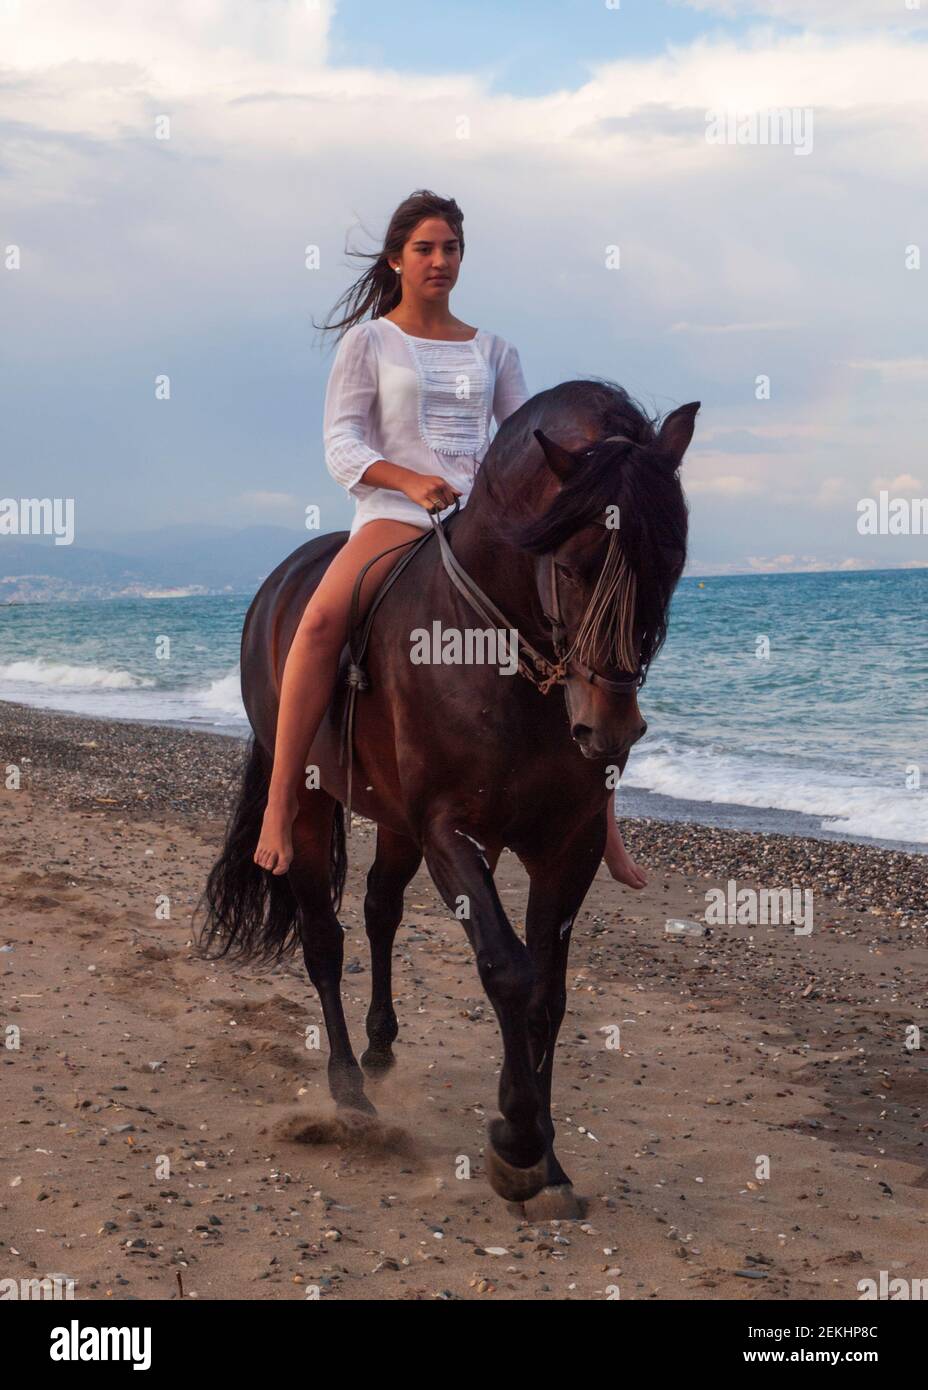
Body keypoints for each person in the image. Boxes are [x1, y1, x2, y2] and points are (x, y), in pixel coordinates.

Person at [253, 188, 646, 891]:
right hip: (394, 515)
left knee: (590, 633)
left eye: (451, 248)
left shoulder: (495, 349)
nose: (440, 260)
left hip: (487, 526)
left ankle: (603, 824)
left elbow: (523, 443)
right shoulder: (370, 342)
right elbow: (341, 443)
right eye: (425, 249)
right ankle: (280, 805)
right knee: (316, 624)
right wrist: (407, 482)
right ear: (397, 259)